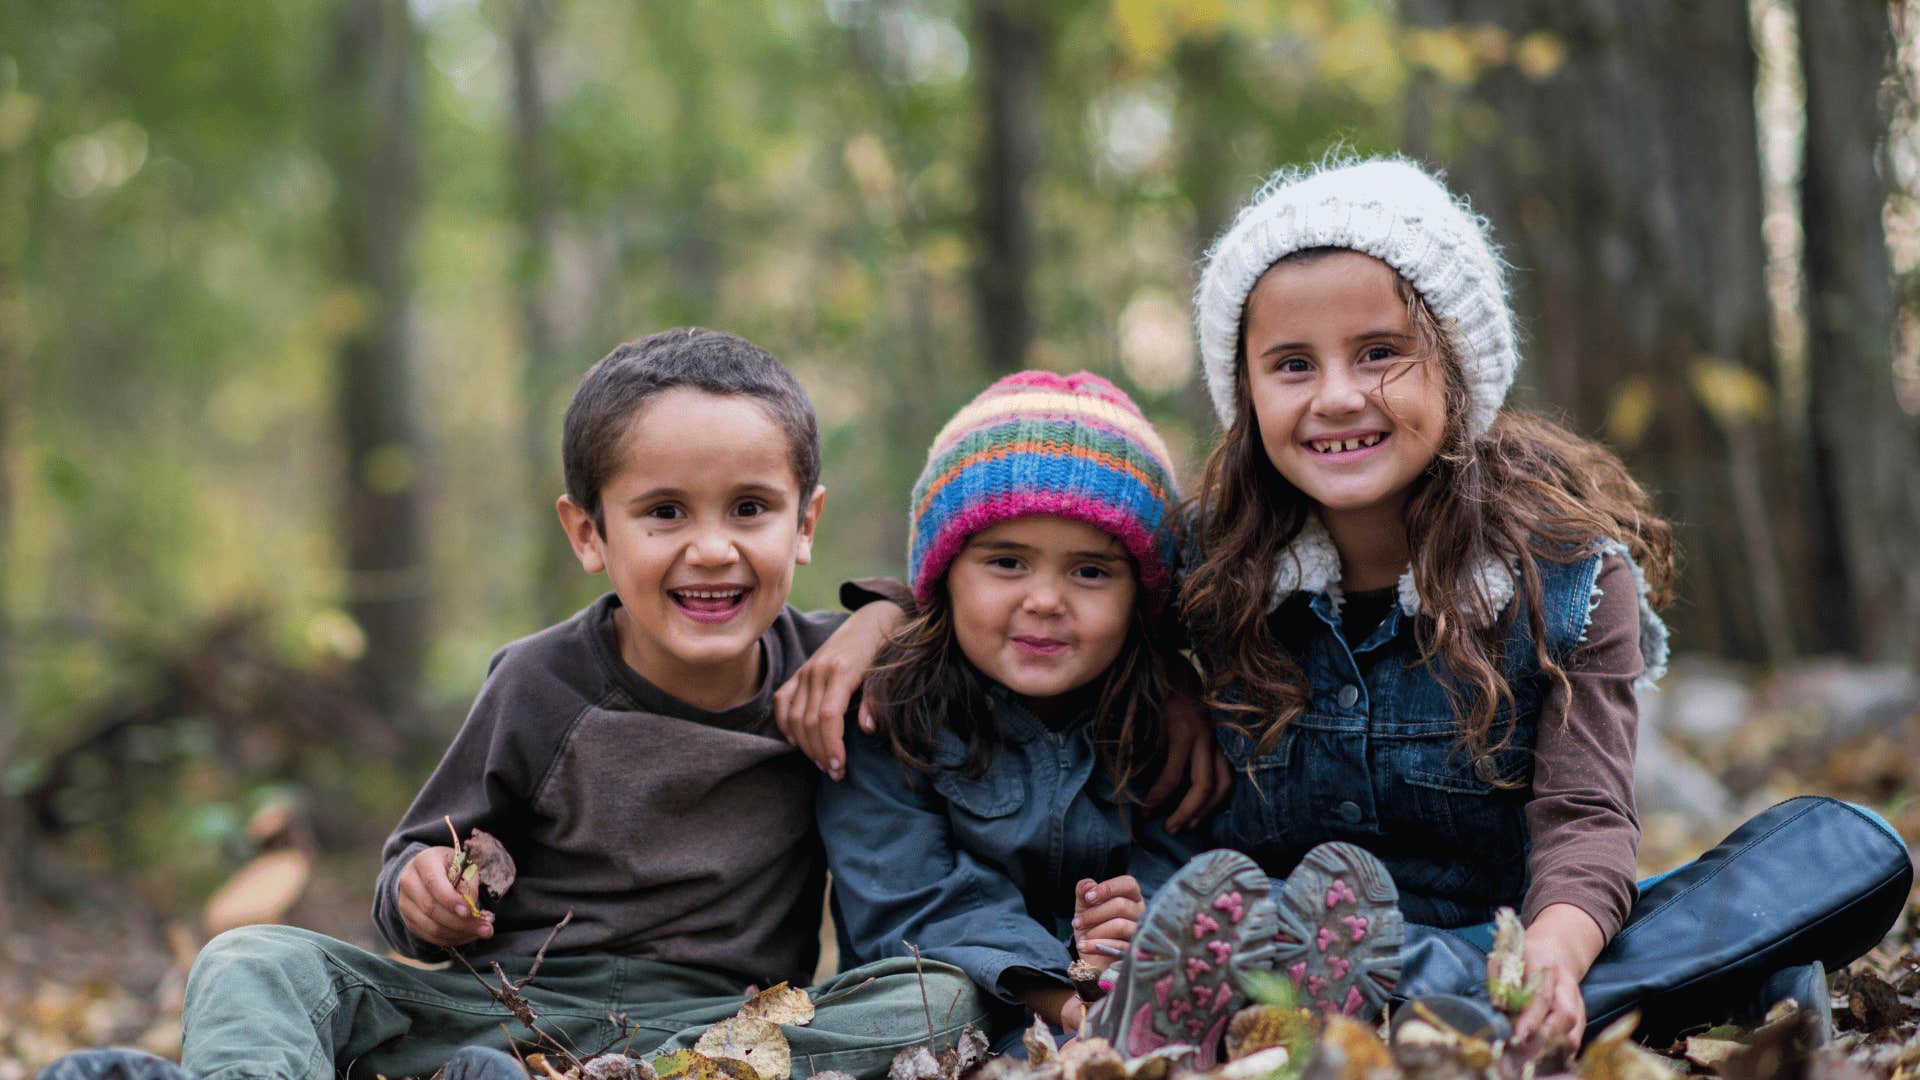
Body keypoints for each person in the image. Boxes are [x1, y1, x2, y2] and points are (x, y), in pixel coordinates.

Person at [1087, 156, 1910, 1054]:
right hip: (1284, 932)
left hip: (1502, 942)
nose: (1335, 396)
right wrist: (1162, 670)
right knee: (1241, 916)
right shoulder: (1205, 567)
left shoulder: (1569, 577)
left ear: (1459, 365)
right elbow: (1033, 610)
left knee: (1842, 852)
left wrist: (1556, 953)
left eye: (1379, 353)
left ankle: (1443, 1009)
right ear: (1245, 391)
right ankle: (1658, 990)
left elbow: (1588, 820)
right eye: (1291, 364)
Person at [41, 329, 985, 1080]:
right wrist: (423, 894)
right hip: (505, 1006)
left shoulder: (826, 668)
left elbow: (965, 615)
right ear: (588, 533)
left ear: (805, 523)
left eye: (749, 509)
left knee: (940, 996)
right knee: (253, 961)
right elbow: (420, 861)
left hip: (721, 1032)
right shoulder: (543, 683)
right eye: (664, 512)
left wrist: (878, 616)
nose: (710, 548)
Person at [814, 372, 1269, 1065]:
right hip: (947, 1002)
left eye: (1090, 572)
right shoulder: (886, 714)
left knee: (1214, 968)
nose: (1047, 600)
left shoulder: (1164, 720)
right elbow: (910, 904)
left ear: (1139, 595)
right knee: (922, 1004)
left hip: (1115, 999)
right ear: (941, 576)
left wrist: (1142, 916)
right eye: (1006, 562)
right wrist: (1058, 994)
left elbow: (1184, 854)